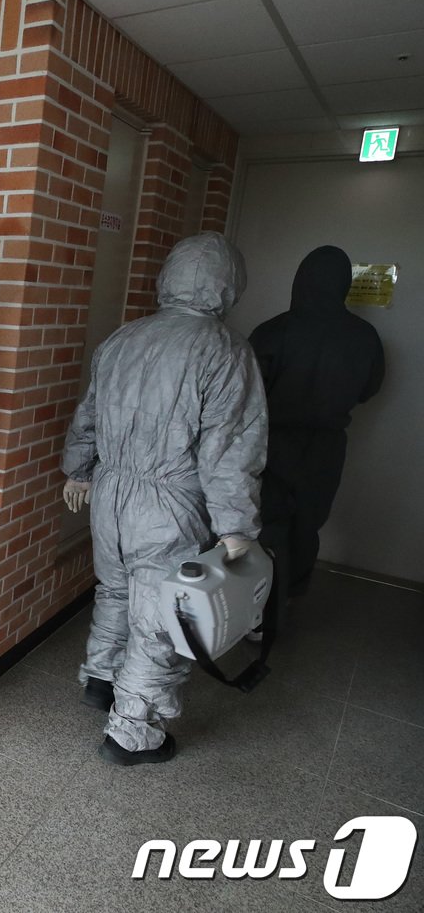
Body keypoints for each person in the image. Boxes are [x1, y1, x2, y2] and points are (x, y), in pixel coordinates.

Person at [61, 232, 267, 765]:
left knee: (114, 590)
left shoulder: (124, 337)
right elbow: (231, 450)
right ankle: (131, 733)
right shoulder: (224, 350)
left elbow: (88, 413)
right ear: (228, 284)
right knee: (158, 615)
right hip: (170, 503)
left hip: (109, 494)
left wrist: (78, 470)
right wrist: (236, 527)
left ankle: (102, 678)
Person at [250, 246, 384, 599]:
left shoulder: (272, 331)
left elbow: (243, 393)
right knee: (307, 526)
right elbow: (369, 389)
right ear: (344, 285)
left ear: (301, 279)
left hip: (270, 443)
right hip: (326, 447)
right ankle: (289, 599)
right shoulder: (365, 336)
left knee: (263, 523)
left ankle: (256, 612)